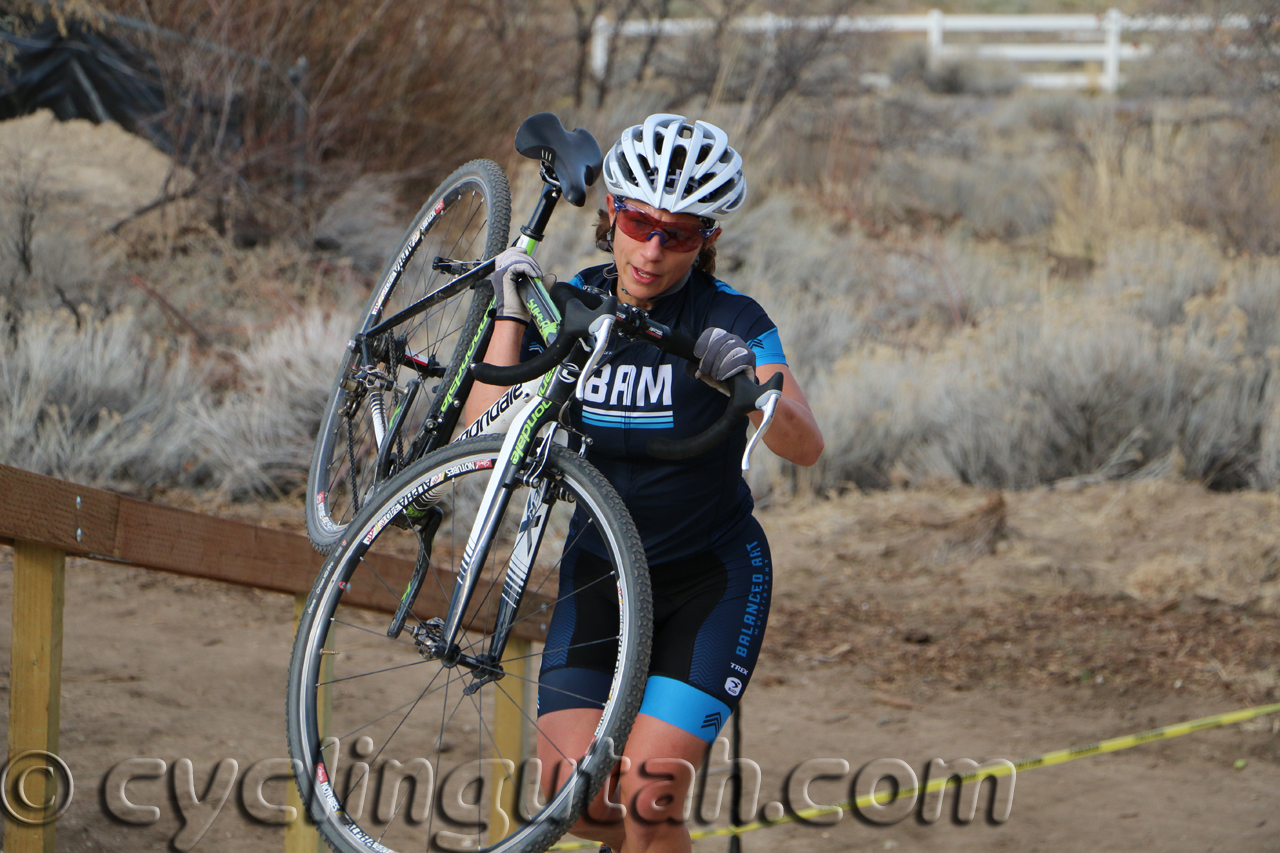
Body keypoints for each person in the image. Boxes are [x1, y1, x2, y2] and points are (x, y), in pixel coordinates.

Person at [467, 114, 823, 853]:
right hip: (601, 573)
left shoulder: (731, 318)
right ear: (612, 215)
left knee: (650, 796)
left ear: (708, 240)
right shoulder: (574, 303)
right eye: (638, 222)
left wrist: (752, 387)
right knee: (570, 795)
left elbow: (806, 443)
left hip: (708, 581)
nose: (653, 250)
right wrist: (509, 304)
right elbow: (482, 426)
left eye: (680, 234)